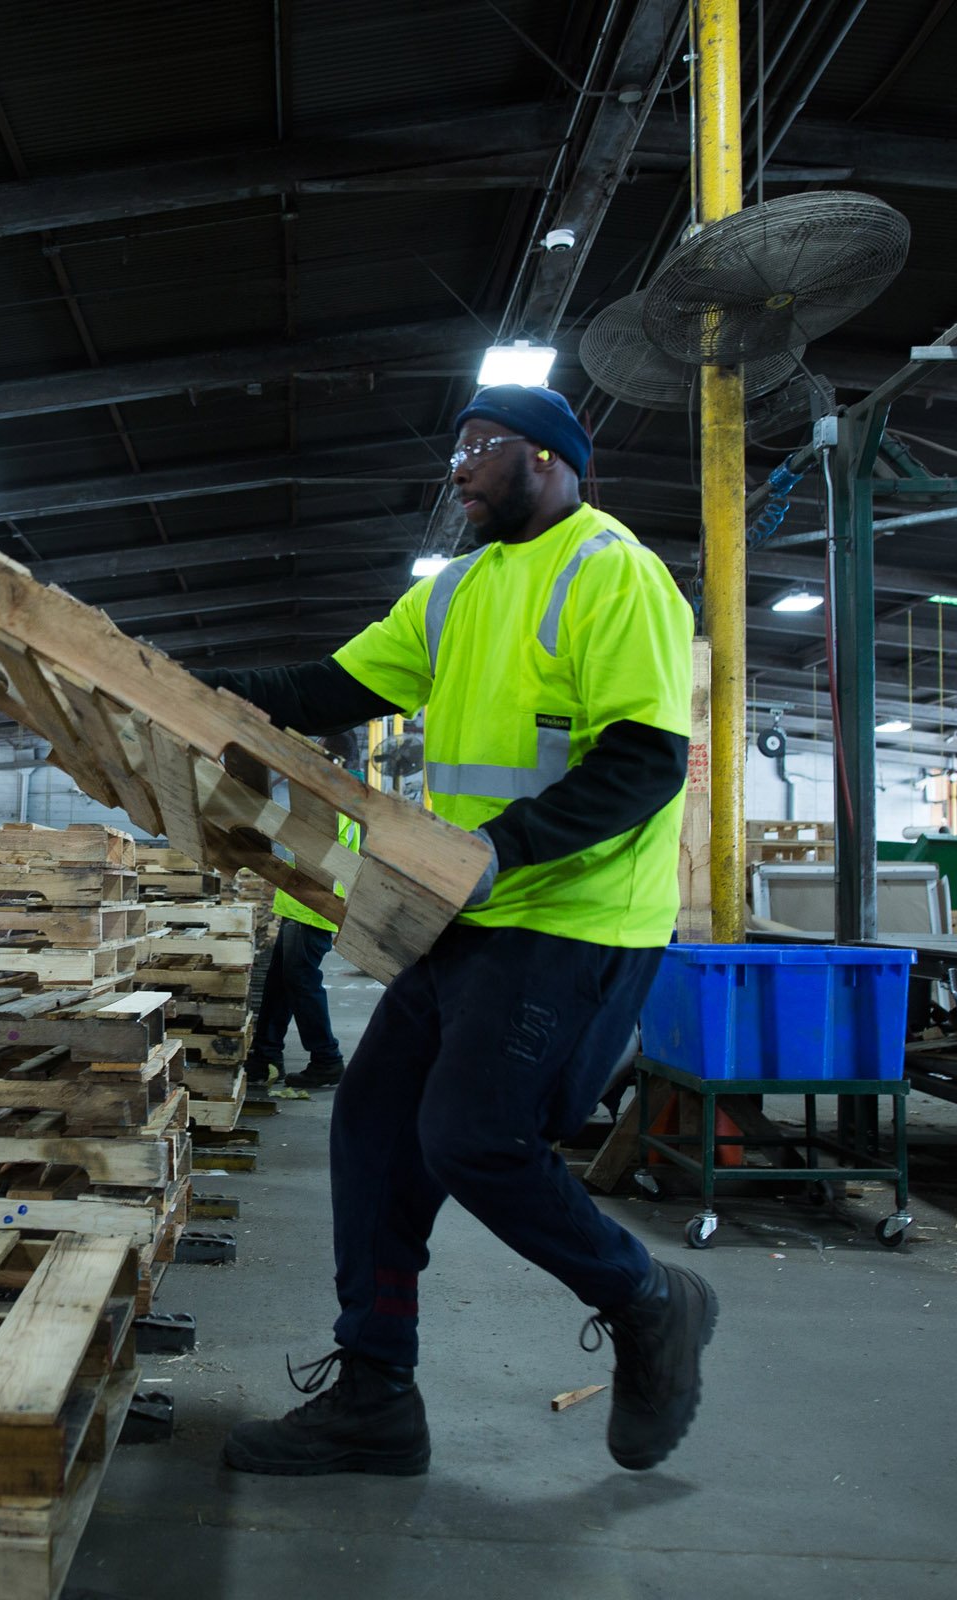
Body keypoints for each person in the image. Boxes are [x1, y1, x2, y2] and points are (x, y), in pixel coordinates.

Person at [198, 384, 715, 1478]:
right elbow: (333, 682)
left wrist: (501, 847)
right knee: (373, 1130)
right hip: (468, 919)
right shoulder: (458, 591)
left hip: (577, 920)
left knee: (473, 1137)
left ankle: (650, 1297)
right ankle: (378, 1390)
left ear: (546, 458)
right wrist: (203, 695)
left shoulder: (611, 571)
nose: (459, 468)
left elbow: (645, 759)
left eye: (479, 448)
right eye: (458, 447)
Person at [246, 735, 364, 1092]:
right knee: (280, 984)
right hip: (301, 903)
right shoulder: (334, 795)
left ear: (333, 760)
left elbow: (319, 850)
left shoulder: (335, 798)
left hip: (314, 906)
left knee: (301, 982)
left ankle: (326, 1059)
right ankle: (265, 1056)